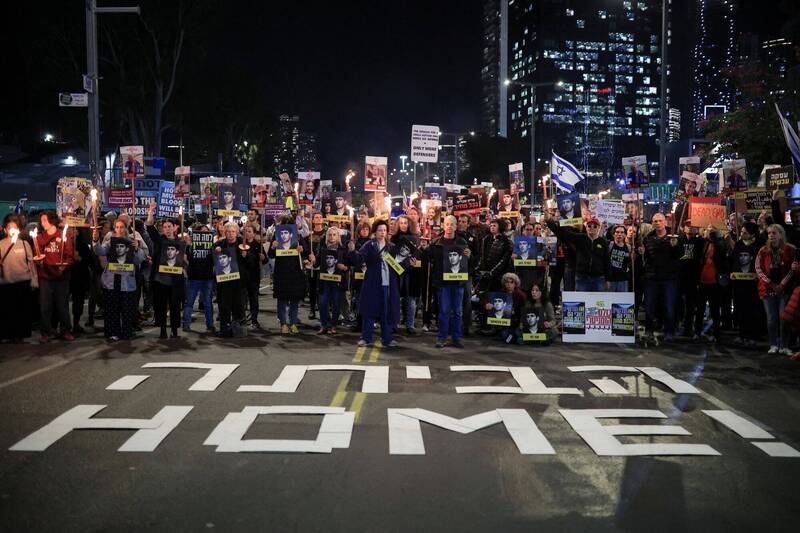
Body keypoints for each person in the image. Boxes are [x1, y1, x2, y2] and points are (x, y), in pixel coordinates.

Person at [349, 219, 401, 348]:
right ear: (375, 232)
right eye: (380, 230)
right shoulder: (369, 245)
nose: (382, 233)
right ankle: (366, 338)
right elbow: (359, 259)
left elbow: (399, 267)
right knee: (369, 310)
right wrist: (352, 251)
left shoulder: (392, 247)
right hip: (372, 282)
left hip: (388, 284)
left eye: (384, 230)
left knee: (386, 311)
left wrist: (408, 264)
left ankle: (387, 339)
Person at [422, 215, 472, 348]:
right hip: (442, 283)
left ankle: (456, 337)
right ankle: (442, 337)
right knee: (443, 311)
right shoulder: (436, 243)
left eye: (452, 224)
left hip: (458, 282)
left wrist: (469, 255)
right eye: (447, 224)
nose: (449, 227)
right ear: (444, 225)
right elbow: (428, 260)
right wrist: (424, 250)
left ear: (456, 226)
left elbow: (469, 263)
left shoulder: (463, 242)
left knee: (457, 311)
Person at [93, 220, 144, 342]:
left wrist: (137, 249)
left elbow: (138, 260)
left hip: (127, 281)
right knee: (112, 309)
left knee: (126, 309)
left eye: (122, 227)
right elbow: (100, 251)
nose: (119, 229)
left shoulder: (132, 242)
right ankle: (113, 332)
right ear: (114, 229)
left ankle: (127, 332)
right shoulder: (110, 242)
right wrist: (95, 240)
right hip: (111, 280)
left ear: (126, 228)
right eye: (117, 227)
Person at [145, 202, 184, 339]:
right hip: (160, 280)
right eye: (164, 227)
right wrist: (150, 211)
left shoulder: (181, 242)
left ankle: (174, 330)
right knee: (160, 305)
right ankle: (162, 329)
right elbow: (149, 227)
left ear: (175, 228)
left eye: (169, 227)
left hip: (175, 281)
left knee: (174, 305)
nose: (166, 229)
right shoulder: (159, 240)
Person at [755, 224, 796, 355]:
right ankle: (773, 344)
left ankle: (784, 345)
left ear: (780, 234)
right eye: (769, 233)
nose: (771, 235)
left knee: (783, 318)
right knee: (771, 319)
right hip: (768, 289)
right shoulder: (763, 250)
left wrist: (782, 285)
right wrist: (771, 284)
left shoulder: (790, 249)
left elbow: (792, 269)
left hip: (784, 289)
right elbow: (758, 269)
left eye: (774, 233)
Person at [35, 211, 75, 343]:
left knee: (62, 305)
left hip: (61, 277)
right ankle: (46, 332)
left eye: (45, 220)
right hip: (45, 277)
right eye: (41, 221)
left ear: (52, 220)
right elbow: (37, 254)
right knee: (45, 306)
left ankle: (66, 330)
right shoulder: (40, 237)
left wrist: (65, 265)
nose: (43, 223)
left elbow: (70, 256)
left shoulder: (63, 235)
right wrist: (38, 262)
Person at [642, 213, 682, 340]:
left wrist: (675, 246)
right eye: (655, 221)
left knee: (669, 306)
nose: (658, 223)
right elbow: (646, 258)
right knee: (649, 305)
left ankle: (669, 331)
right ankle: (648, 330)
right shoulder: (648, 238)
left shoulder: (674, 237)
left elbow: (680, 256)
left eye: (660, 221)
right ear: (652, 223)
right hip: (652, 277)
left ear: (665, 222)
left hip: (669, 278)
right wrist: (641, 253)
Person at [0, 215, 38, 342]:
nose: (12, 230)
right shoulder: (1, 245)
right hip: (7, 283)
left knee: (23, 310)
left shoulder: (24, 243)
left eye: (15, 227)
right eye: (9, 228)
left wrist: (34, 280)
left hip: (23, 282)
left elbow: (31, 263)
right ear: (5, 230)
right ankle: (9, 334)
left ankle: (21, 335)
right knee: (8, 310)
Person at [546, 215, 608, 292]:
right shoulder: (580, 237)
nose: (592, 227)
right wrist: (554, 222)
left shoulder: (602, 242)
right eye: (589, 226)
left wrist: (608, 279)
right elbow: (563, 234)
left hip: (597, 277)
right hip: (580, 274)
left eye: (595, 226)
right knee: (578, 299)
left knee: (597, 302)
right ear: (587, 227)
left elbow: (606, 261)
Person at [269, 216, 309, 334]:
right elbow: (270, 255)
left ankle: (293, 323)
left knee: (294, 300)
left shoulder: (298, 237)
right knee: (281, 300)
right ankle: (283, 323)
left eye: (287, 230)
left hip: (295, 272)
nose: (284, 234)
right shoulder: (275, 237)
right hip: (281, 272)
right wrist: (272, 246)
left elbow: (306, 252)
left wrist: (302, 249)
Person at [693, 225, 728, 343]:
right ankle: (697, 332)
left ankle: (716, 334)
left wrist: (715, 237)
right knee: (700, 309)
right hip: (703, 280)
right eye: (708, 229)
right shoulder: (703, 243)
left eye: (712, 230)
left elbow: (722, 255)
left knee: (714, 309)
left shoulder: (721, 243)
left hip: (715, 281)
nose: (709, 232)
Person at [730, 221, 762, 346]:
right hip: (739, 283)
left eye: (745, 233)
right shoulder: (738, 244)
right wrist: (732, 272)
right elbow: (734, 260)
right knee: (740, 308)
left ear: (752, 234)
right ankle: (742, 334)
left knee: (752, 310)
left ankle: (752, 336)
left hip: (752, 284)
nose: (742, 234)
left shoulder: (758, 245)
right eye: (742, 232)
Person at [214, 222, 248, 337]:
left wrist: (245, 255)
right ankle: (224, 329)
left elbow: (252, 262)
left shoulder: (243, 244)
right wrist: (215, 251)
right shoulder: (219, 244)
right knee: (224, 306)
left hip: (239, 282)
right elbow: (211, 259)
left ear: (237, 233)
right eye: (228, 231)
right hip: (223, 281)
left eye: (233, 231)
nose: (230, 234)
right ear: (225, 232)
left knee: (238, 306)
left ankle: (238, 329)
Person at [314, 226, 348, 334]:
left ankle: (333, 325)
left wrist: (345, 267)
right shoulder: (323, 248)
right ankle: (324, 325)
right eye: (330, 234)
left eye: (334, 235)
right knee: (322, 303)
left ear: (338, 236)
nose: (332, 237)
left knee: (336, 304)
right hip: (324, 281)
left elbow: (349, 263)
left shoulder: (342, 249)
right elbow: (317, 263)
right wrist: (312, 260)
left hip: (337, 282)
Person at [183, 226, 215, 333]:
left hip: (207, 277)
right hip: (194, 277)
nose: (204, 234)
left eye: (206, 232)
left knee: (208, 303)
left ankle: (210, 325)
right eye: (202, 232)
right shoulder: (190, 246)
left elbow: (215, 261)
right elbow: (185, 259)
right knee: (190, 302)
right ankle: (186, 324)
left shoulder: (212, 246)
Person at [392, 214, 420, 334]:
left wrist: (415, 261)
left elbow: (417, 255)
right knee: (395, 299)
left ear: (409, 224)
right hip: (396, 272)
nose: (403, 225)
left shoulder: (415, 238)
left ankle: (410, 325)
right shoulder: (393, 238)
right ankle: (395, 323)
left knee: (411, 300)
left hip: (411, 272)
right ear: (398, 224)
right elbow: (389, 255)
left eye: (405, 222)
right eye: (401, 222)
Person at [483, 272, 526, 344]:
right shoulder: (501, 292)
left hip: (516, 321)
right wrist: (487, 304)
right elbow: (486, 299)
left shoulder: (521, 295)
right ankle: (497, 329)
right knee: (504, 335)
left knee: (507, 337)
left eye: (511, 282)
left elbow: (524, 310)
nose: (509, 284)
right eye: (507, 282)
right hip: (503, 321)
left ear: (515, 284)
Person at [241, 224, 265, 330]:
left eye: (250, 231)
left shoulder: (257, 245)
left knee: (253, 299)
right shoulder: (240, 244)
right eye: (246, 231)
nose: (247, 233)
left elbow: (265, 260)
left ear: (254, 233)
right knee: (241, 299)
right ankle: (241, 319)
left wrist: (263, 258)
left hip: (254, 276)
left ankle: (254, 320)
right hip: (242, 276)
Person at [606, 224, 631, 292]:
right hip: (610, 280)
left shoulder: (628, 247)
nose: (619, 234)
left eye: (622, 232)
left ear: (625, 235)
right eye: (617, 232)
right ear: (613, 234)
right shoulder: (609, 245)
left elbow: (630, 261)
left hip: (623, 280)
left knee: (621, 301)